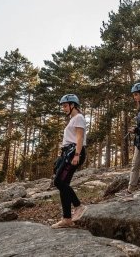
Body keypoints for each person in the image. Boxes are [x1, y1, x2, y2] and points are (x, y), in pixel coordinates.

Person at [52, 94, 87, 228]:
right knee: (63, 185)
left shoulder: (78, 118)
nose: (64, 109)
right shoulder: (73, 119)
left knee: (58, 182)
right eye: (63, 106)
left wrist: (77, 155)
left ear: (73, 105)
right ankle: (67, 218)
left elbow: (79, 138)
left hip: (74, 152)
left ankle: (78, 206)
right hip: (68, 152)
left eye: (66, 106)